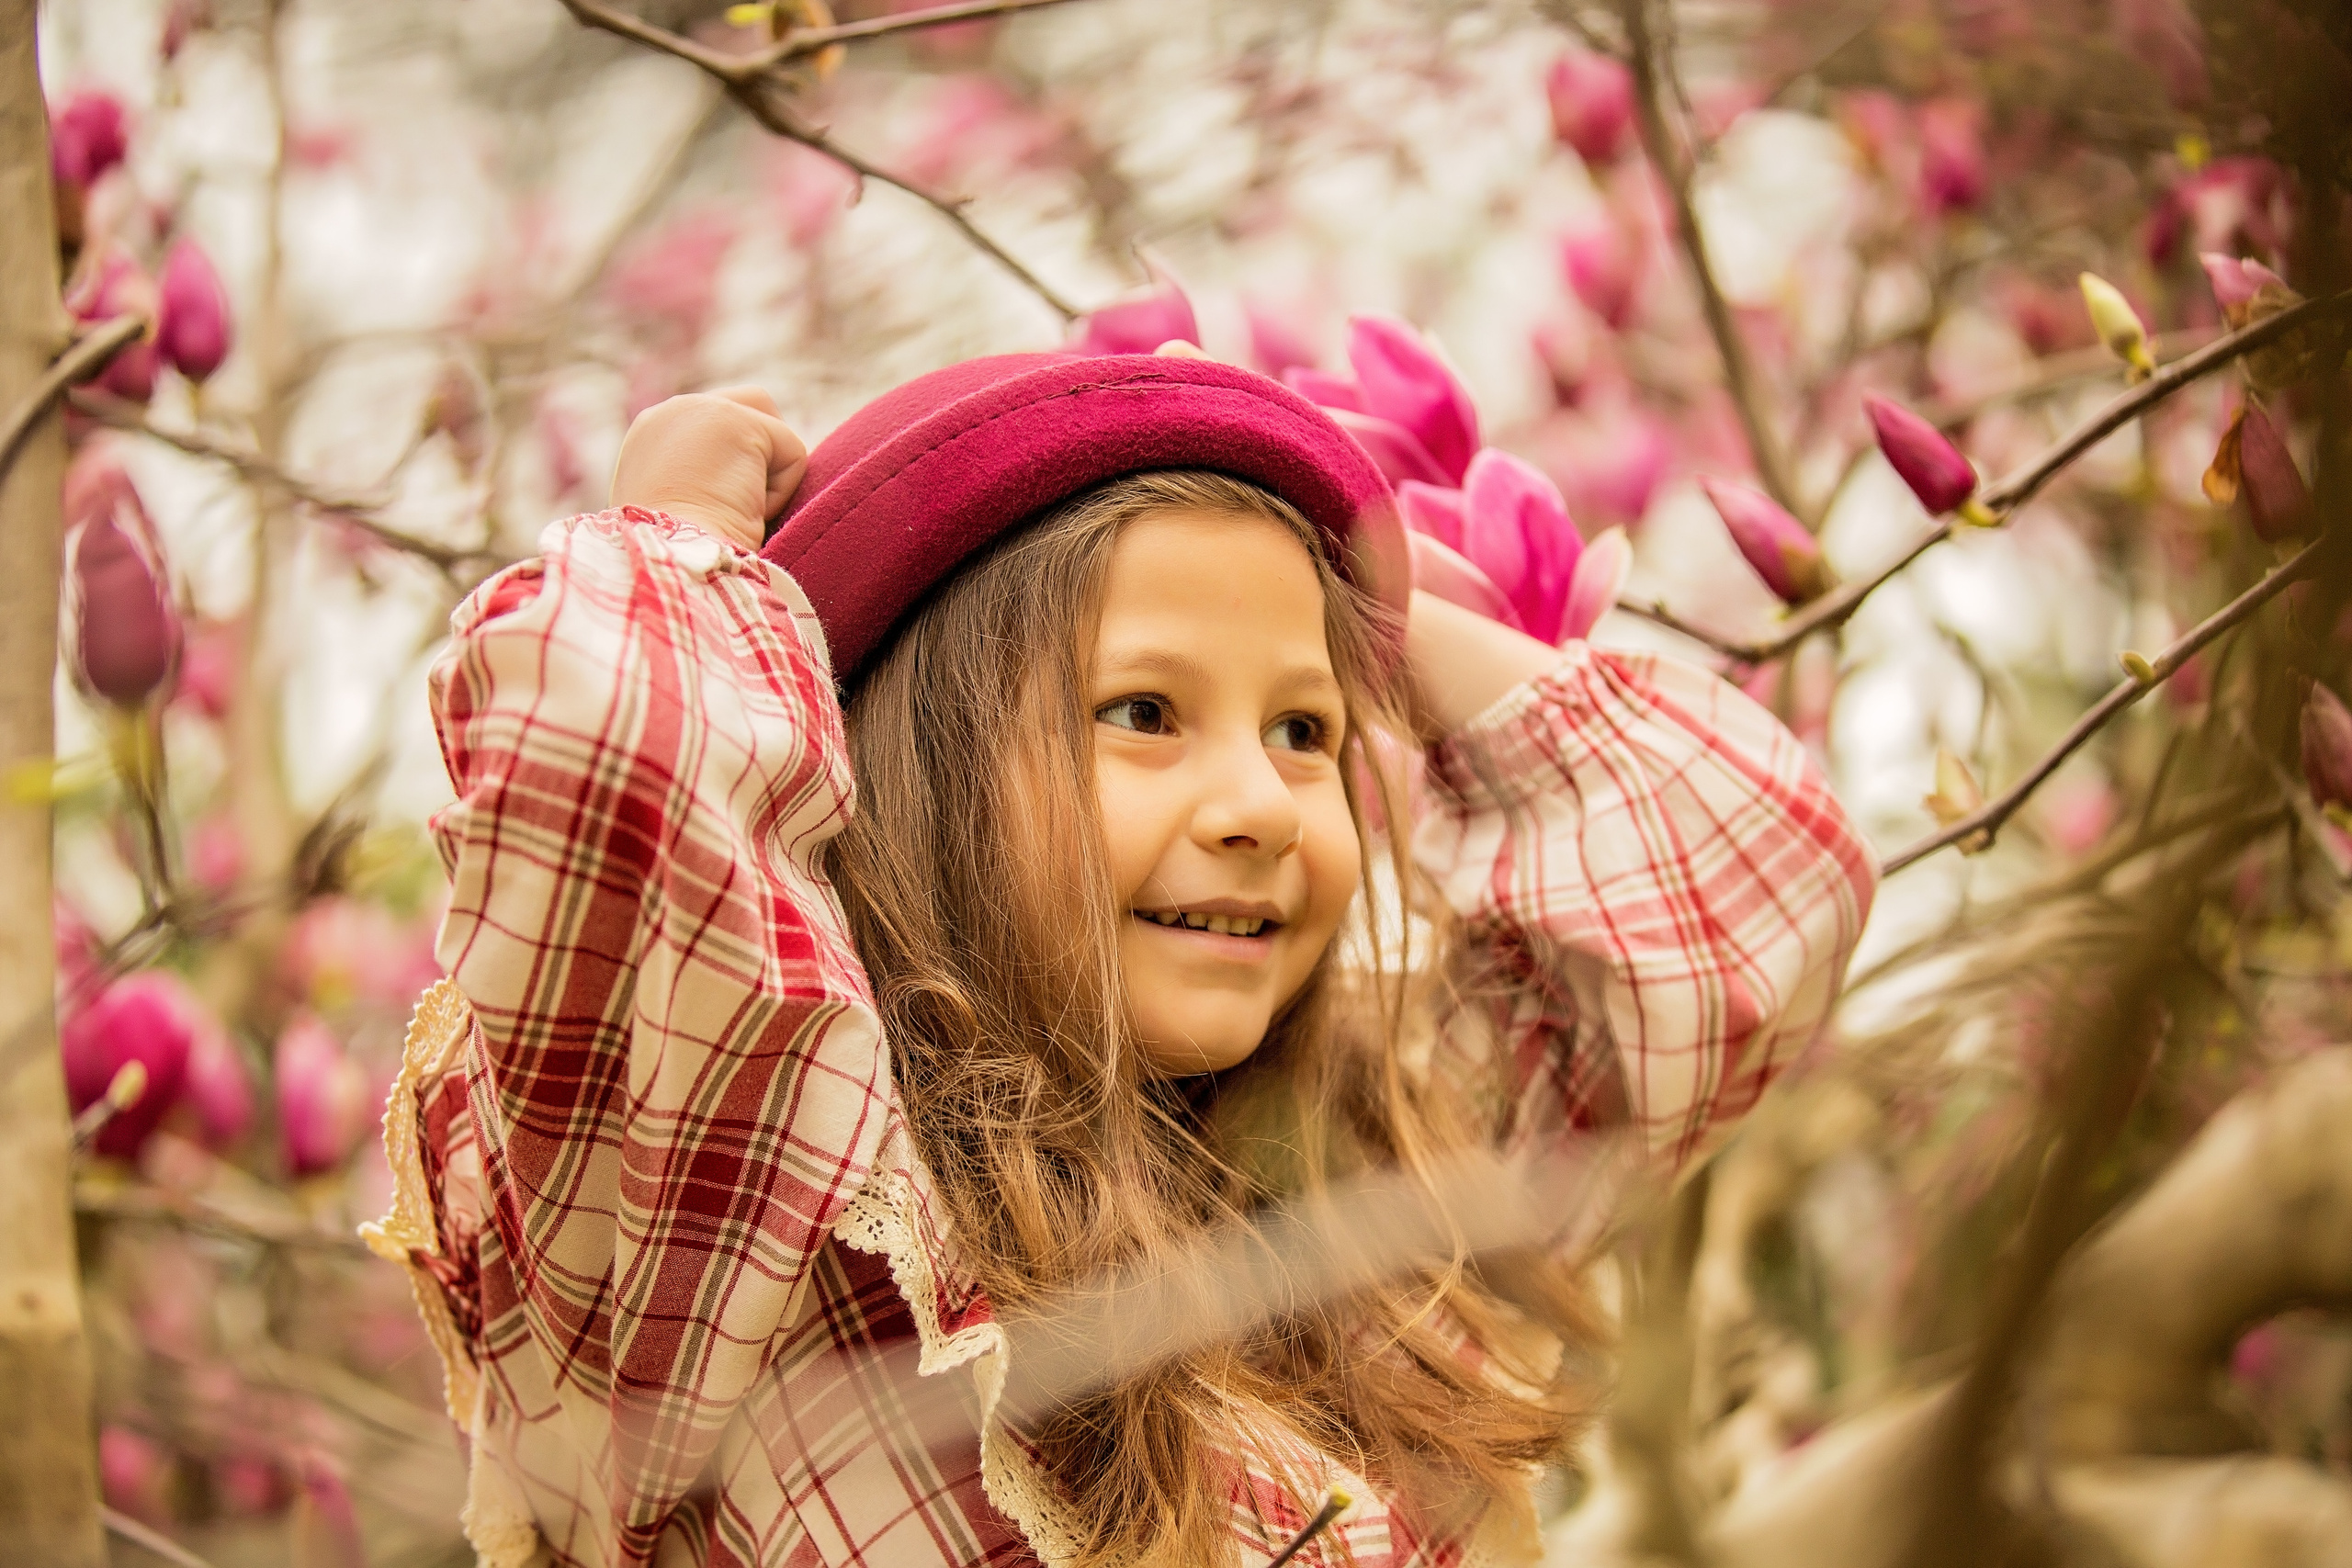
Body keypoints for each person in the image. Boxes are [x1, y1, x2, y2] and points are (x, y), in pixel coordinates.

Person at [366, 349, 1875, 1568]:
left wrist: (1380, 612)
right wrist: (682, 539)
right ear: (901, 776)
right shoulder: (769, 1213)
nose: (1260, 811)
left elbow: (1756, 880)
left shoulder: (1346, 1212)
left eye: (1305, 733)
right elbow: (610, 770)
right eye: (1145, 713)